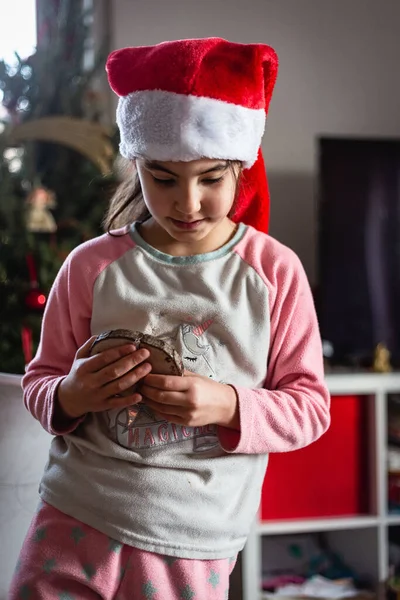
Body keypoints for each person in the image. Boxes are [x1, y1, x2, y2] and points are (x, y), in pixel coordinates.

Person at [9, 37, 330, 600]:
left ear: (241, 167)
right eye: (163, 179)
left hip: (192, 541)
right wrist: (72, 394)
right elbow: (40, 382)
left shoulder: (274, 272)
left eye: (211, 179)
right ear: (137, 166)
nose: (187, 203)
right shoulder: (91, 266)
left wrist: (227, 404)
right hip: (74, 514)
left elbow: (309, 407)